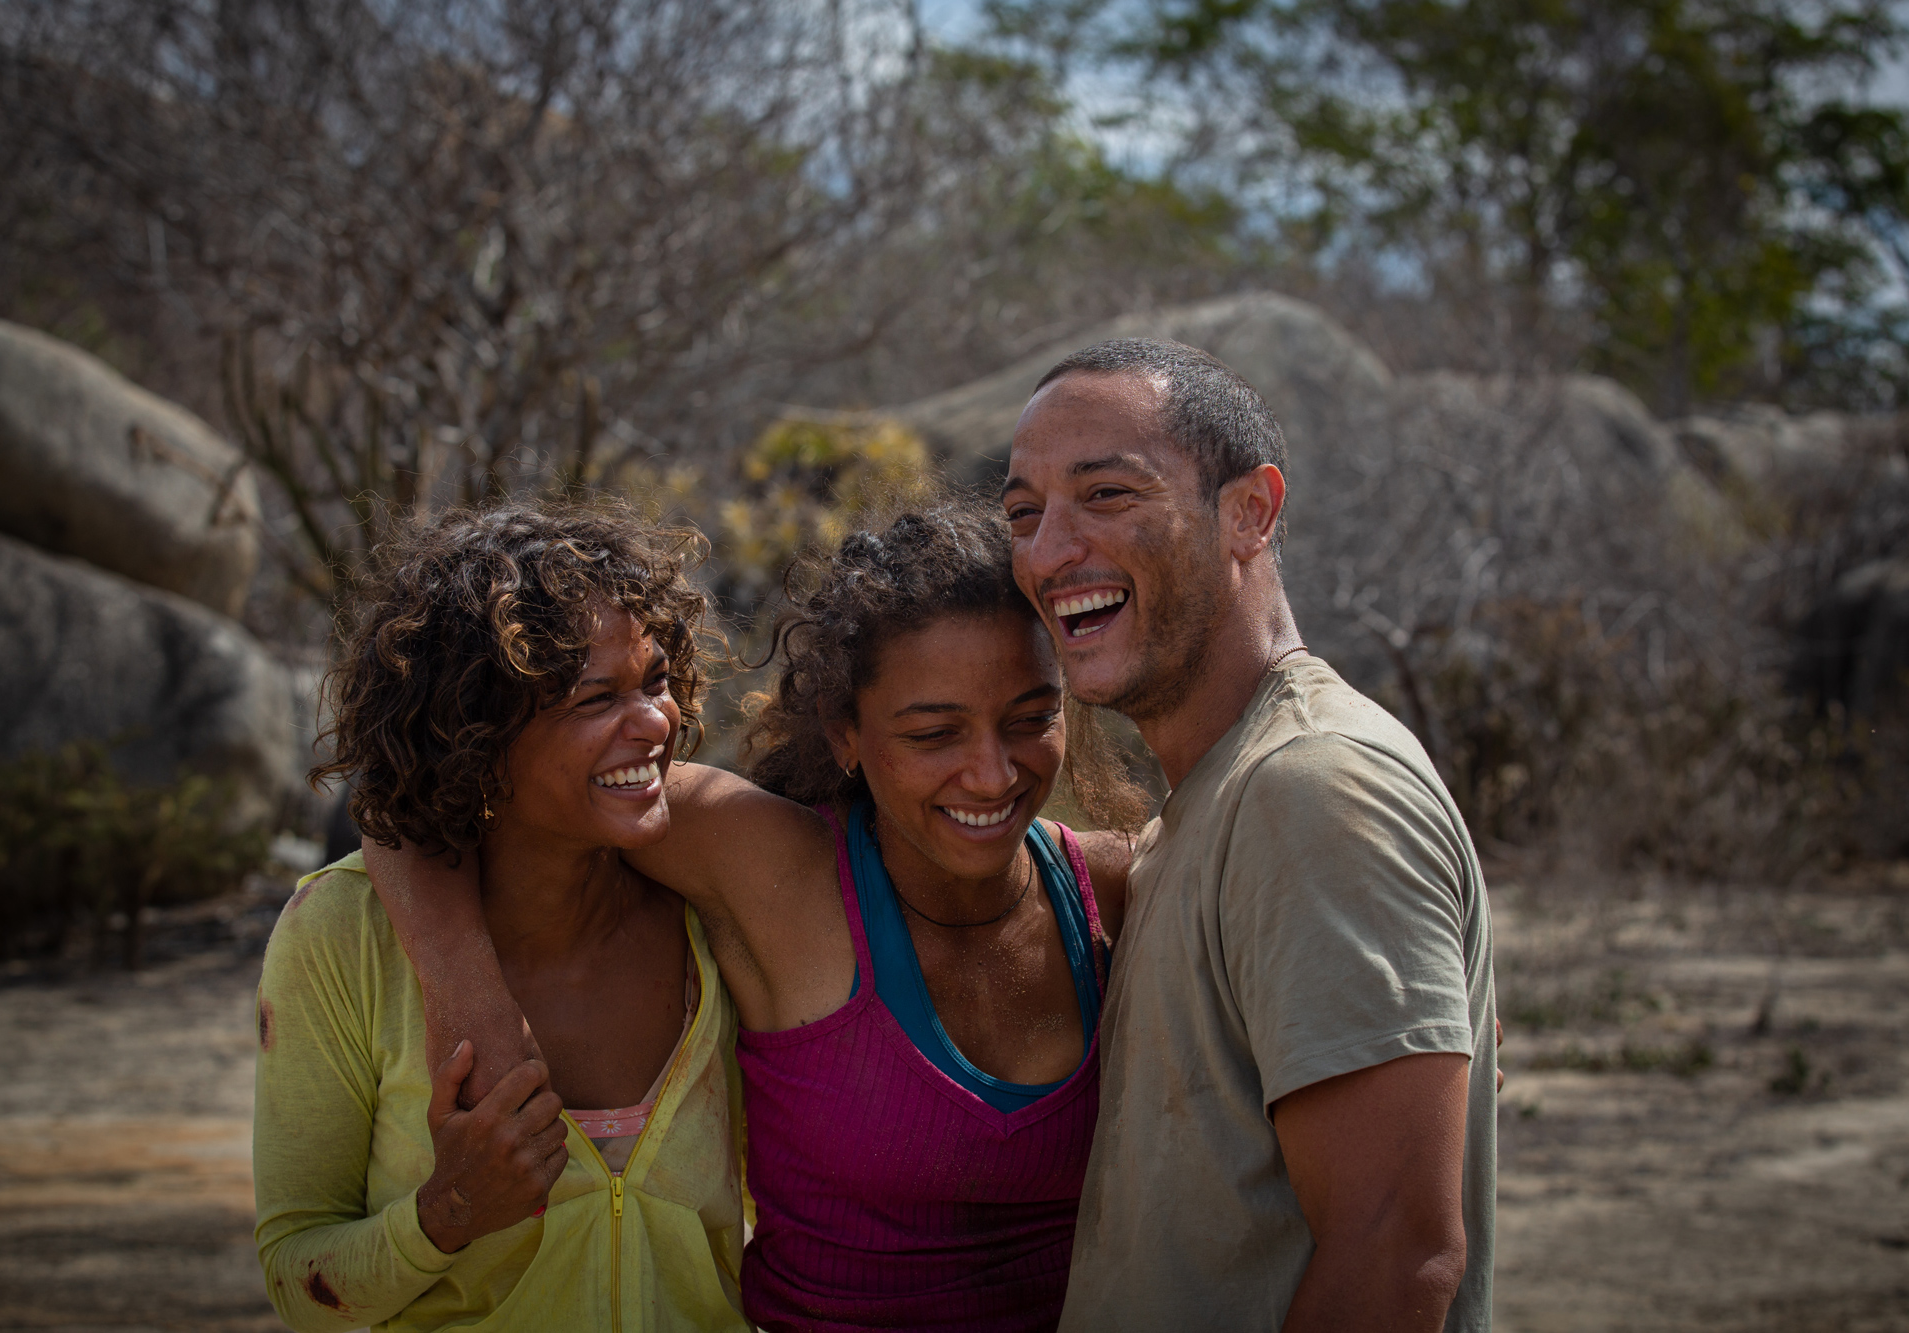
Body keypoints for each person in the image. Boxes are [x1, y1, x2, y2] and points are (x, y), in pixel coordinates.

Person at [365, 502, 1144, 1331]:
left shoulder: (1114, 889)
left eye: (1032, 719)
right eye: (933, 734)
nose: (992, 775)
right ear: (846, 734)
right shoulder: (767, 865)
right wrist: (467, 994)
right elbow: (428, 794)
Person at [999, 338, 1499, 1332]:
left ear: (1249, 512)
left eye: (1105, 494)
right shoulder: (1214, 798)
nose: (1049, 549)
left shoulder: (1309, 787)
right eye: (1023, 512)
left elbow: (1397, 1251)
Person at [252, 505, 750, 1332]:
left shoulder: (710, 906)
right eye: (597, 698)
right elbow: (292, 1271)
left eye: (655, 681)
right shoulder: (342, 935)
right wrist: (446, 1210)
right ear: (476, 737)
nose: (658, 724)